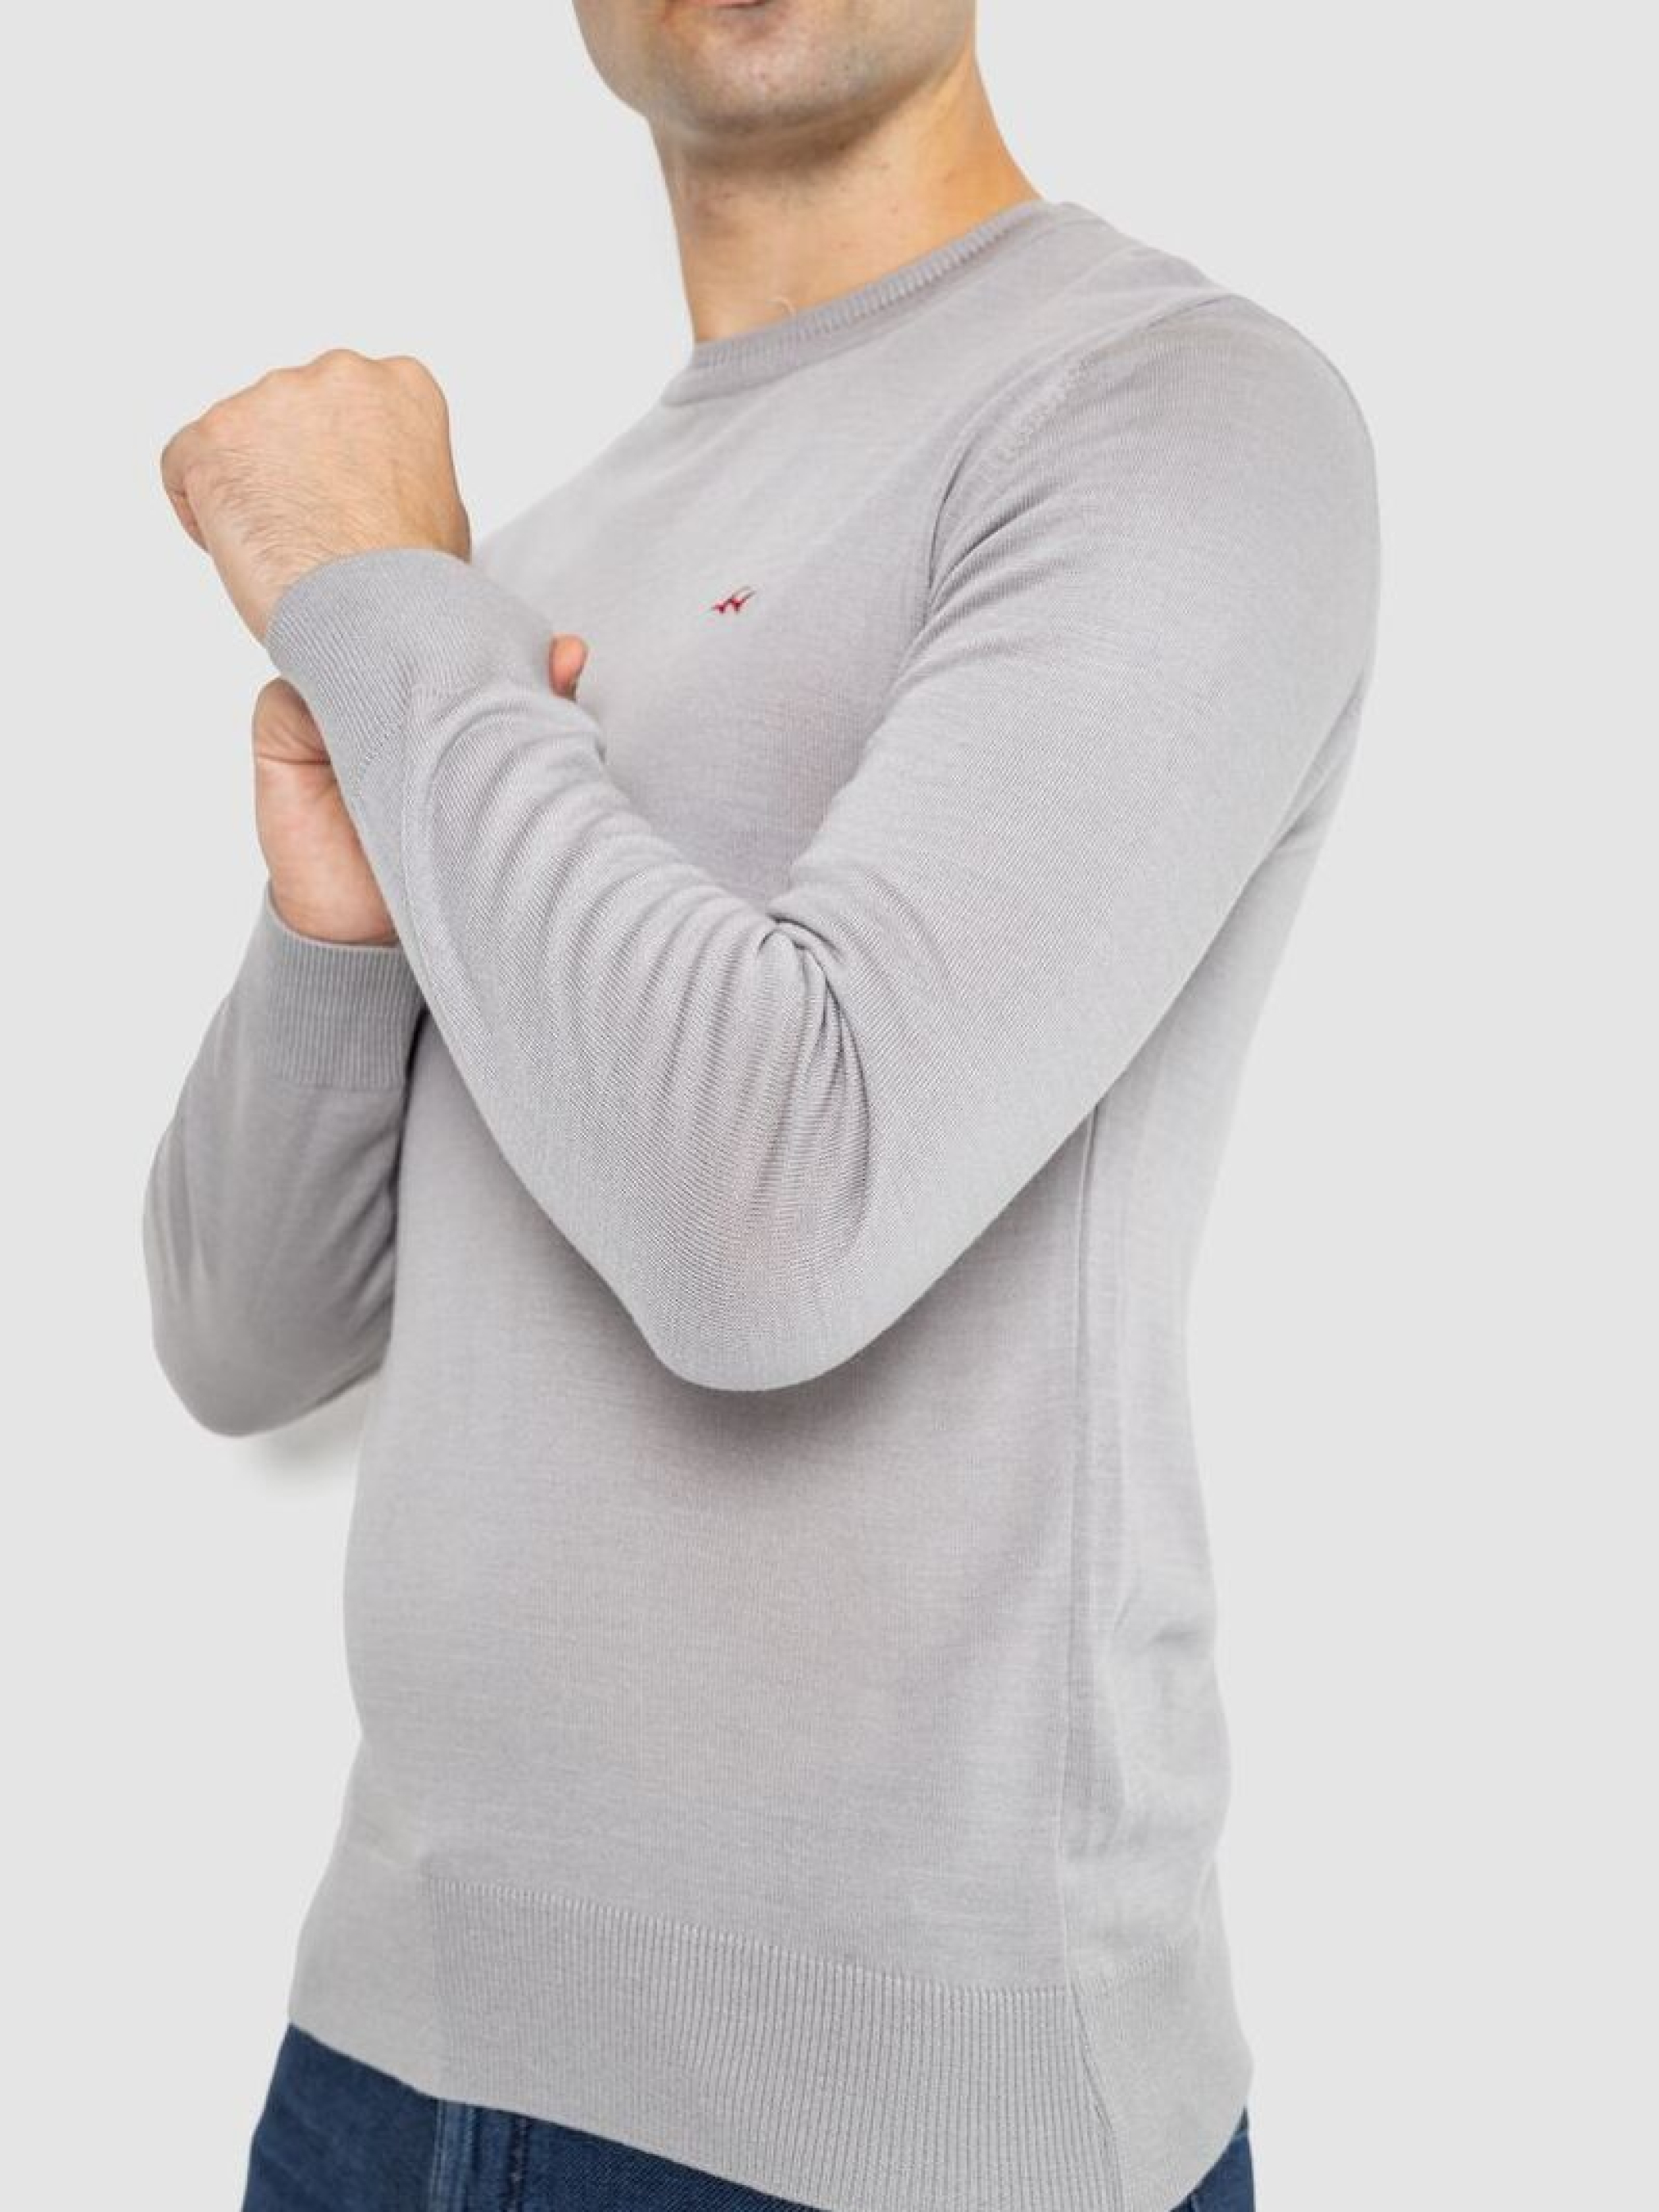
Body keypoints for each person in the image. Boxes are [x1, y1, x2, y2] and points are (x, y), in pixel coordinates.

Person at [143, 2, 1379, 2208]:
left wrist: (371, 599)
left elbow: (770, 1228)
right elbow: (245, 1333)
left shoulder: (1175, 410)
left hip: (887, 2133)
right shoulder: (518, 562)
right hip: (380, 2055)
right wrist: (337, 935)